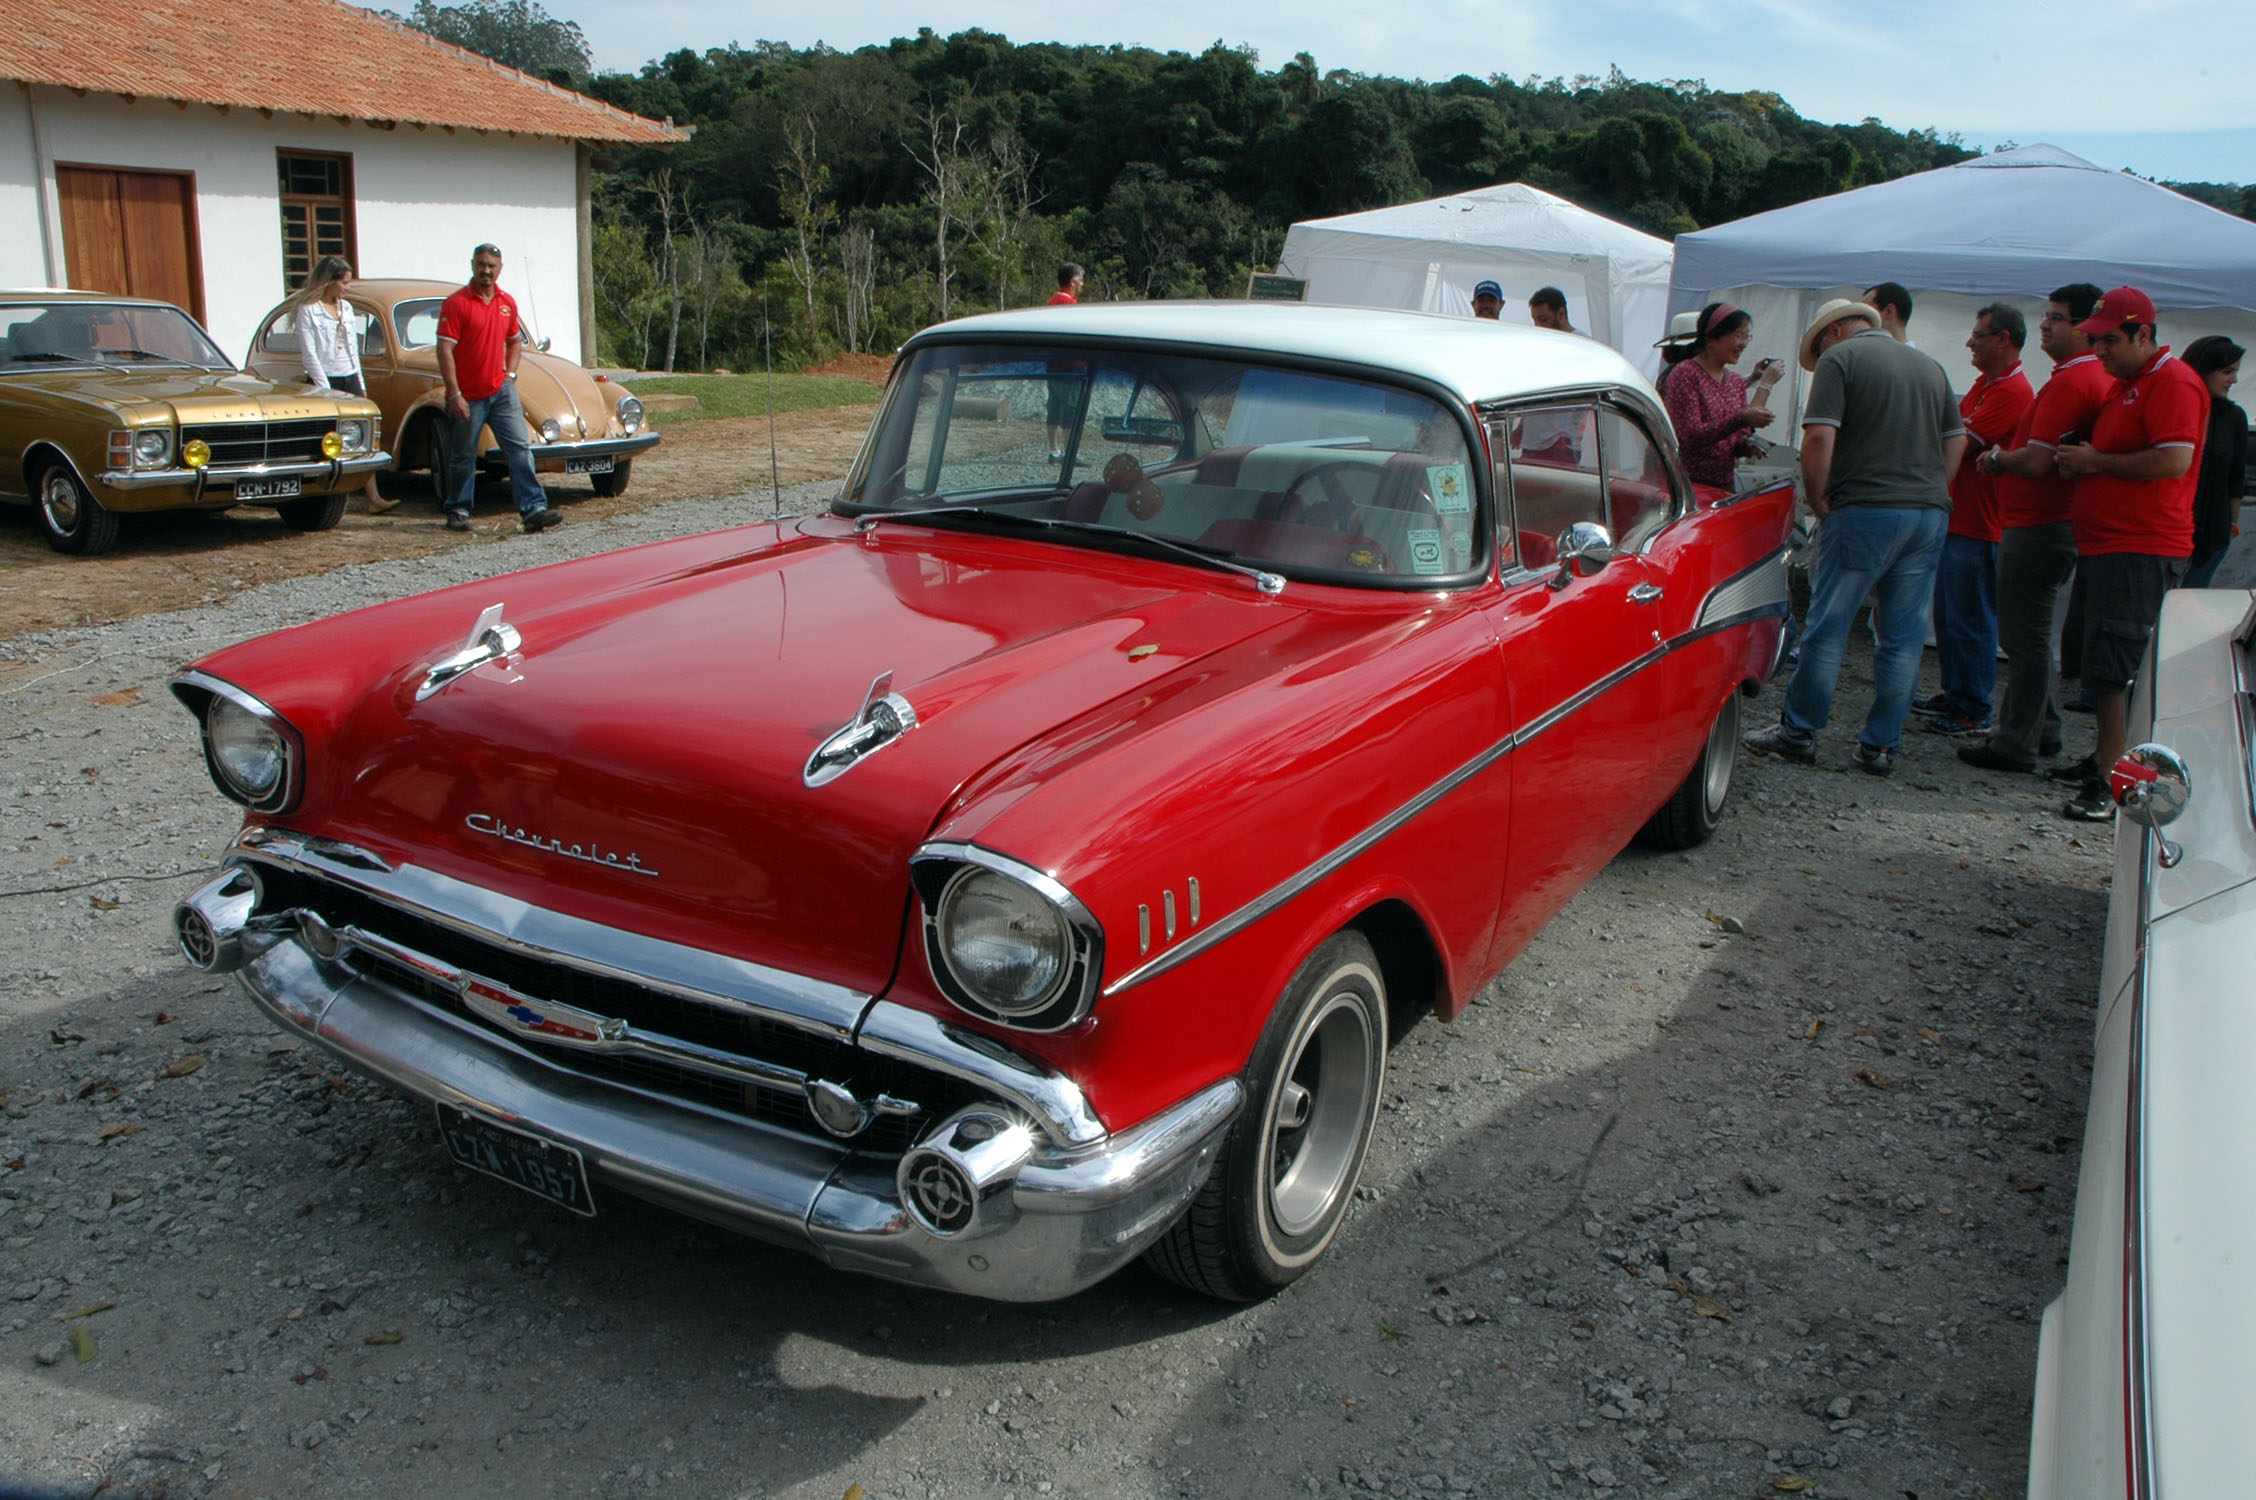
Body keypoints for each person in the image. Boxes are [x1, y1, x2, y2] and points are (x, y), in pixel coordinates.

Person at [1744, 299, 1964, 774]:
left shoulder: (1841, 360)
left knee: (1829, 626)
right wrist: (1934, 490)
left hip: (1864, 508)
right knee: (1902, 637)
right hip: (1925, 514)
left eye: (1819, 345)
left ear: (1835, 332)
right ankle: (1881, 745)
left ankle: (1798, 731)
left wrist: (1820, 500)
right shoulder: (1930, 365)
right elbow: (1956, 439)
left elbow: (1820, 436)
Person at [2051, 286, 2211, 820]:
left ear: (2144, 333)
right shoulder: (2131, 383)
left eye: (2111, 341)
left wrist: (2094, 462)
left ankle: (2120, 784)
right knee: (2100, 666)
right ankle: (2106, 760)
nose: (2100, 353)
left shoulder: (2172, 383)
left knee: (2117, 671)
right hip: (2110, 544)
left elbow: (2173, 462)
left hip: (2141, 547)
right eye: (2095, 342)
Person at [1958, 284, 2113, 777]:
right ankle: (2040, 730)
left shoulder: (2071, 382)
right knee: (2032, 633)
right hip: (2044, 521)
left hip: (2039, 522)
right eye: (2047, 316)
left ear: (2087, 328)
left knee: (2023, 637)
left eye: (2057, 318)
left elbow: (2038, 459)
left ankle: (2016, 741)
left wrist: (1998, 458)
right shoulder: (2081, 376)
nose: (2045, 325)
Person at [1919, 304, 2032, 736]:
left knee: (1970, 617)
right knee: (1950, 615)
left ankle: (1973, 707)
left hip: (1980, 523)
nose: (1970, 342)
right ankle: (1958, 692)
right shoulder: (1987, 384)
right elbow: (1952, 431)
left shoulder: (2011, 392)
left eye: (1979, 335)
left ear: (2003, 339)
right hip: (1960, 517)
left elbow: (1956, 441)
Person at [436, 243, 558, 534]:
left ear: (500, 269)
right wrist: (454, 394)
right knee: (463, 455)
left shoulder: (507, 302)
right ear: (473, 266)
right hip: (468, 394)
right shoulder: (456, 304)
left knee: (519, 449)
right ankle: (458, 509)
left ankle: (533, 510)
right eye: (481, 264)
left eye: (492, 265)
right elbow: (444, 350)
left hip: (501, 392)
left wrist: (511, 374)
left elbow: (514, 340)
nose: (486, 270)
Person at [287, 255, 395, 515]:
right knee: (329, 437)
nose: (347, 288)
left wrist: (360, 380)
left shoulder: (346, 308)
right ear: (330, 282)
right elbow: (310, 353)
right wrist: (324, 387)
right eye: (344, 282)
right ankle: (329, 495)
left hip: (348, 375)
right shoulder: (309, 310)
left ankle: (374, 497)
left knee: (363, 435)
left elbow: (351, 348)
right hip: (325, 379)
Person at [1659, 302, 1780, 489]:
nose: (1744, 344)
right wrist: (1742, 418)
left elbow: (1735, 439)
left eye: (1747, 336)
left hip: (1724, 484)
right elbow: (1690, 436)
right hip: (1689, 486)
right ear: (1711, 339)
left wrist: (1749, 446)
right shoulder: (1685, 374)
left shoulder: (1736, 382)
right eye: (1738, 336)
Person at [2180, 335, 2247, 589]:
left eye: (2236, 372)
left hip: (2214, 529)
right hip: (2173, 525)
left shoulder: (2234, 417)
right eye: (2227, 371)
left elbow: (2235, 477)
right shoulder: (2181, 406)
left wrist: (2232, 521)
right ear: (2204, 368)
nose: (2234, 379)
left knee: (2192, 598)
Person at [1044, 262, 1085, 458]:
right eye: (1080, 280)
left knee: (1053, 406)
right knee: (1070, 409)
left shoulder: (1050, 303)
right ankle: (1070, 453)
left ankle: (1054, 450)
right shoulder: (1071, 306)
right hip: (1070, 367)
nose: (1082, 285)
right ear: (1072, 282)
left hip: (1052, 366)